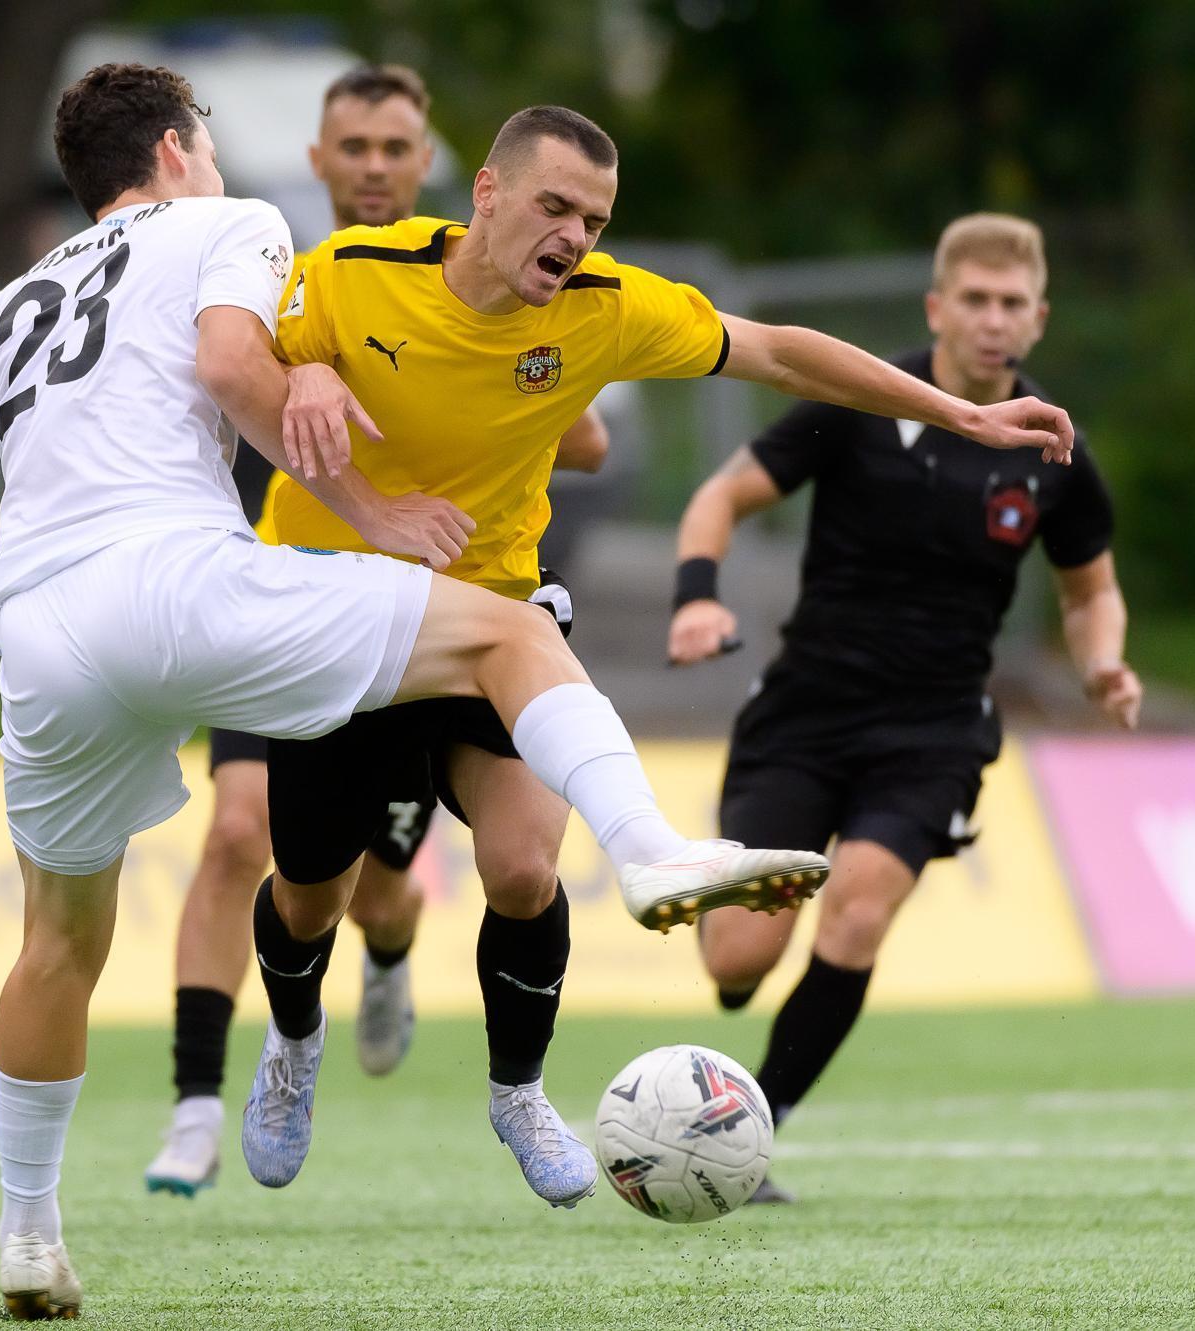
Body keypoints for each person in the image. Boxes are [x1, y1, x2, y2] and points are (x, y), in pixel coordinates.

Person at [0, 64, 851, 1320]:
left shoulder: (14, 300)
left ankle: (29, 1234)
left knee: (57, 944)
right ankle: (650, 848)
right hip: (181, 583)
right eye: (207, 142)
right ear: (173, 149)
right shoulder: (226, 222)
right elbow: (235, 366)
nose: (218, 162)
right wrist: (372, 509)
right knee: (508, 636)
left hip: (44, 636)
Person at [243, 111, 1077, 1211]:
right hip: (342, 621)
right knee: (312, 897)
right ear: (485, 192)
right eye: (554, 206)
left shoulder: (604, 307)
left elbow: (778, 350)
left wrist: (957, 412)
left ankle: (517, 1090)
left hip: (493, 618)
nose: (574, 237)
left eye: (593, 220)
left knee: (525, 868)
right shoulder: (355, 271)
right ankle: (293, 1042)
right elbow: (237, 355)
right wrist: (300, 373)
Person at [144, 61, 611, 1199]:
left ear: (438, 165)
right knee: (265, 854)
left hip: (475, 601)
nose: (372, 166)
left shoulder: (519, 281)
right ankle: (226, 1085)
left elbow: (584, 431)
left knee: (476, 873)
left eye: (393, 148)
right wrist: (305, 371)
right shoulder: (285, 266)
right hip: (311, 605)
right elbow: (224, 368)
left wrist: (489, 395)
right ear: (318, 160)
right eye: (352, 147)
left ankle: (497, 1067)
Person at [667, 212, 1140, 1202]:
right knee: (737, 959)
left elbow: (1089, 588)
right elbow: (719, 497)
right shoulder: (855, 401)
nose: (992, 319)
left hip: (931, 730)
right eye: (974, 299)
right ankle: (734, 957)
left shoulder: (1051, 448)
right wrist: (697, 595)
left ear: (1039, 319)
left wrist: (1102, 663)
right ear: (935, 308)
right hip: (804, 711)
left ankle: (750, 1129)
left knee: (858, 908)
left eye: (1012, 303)